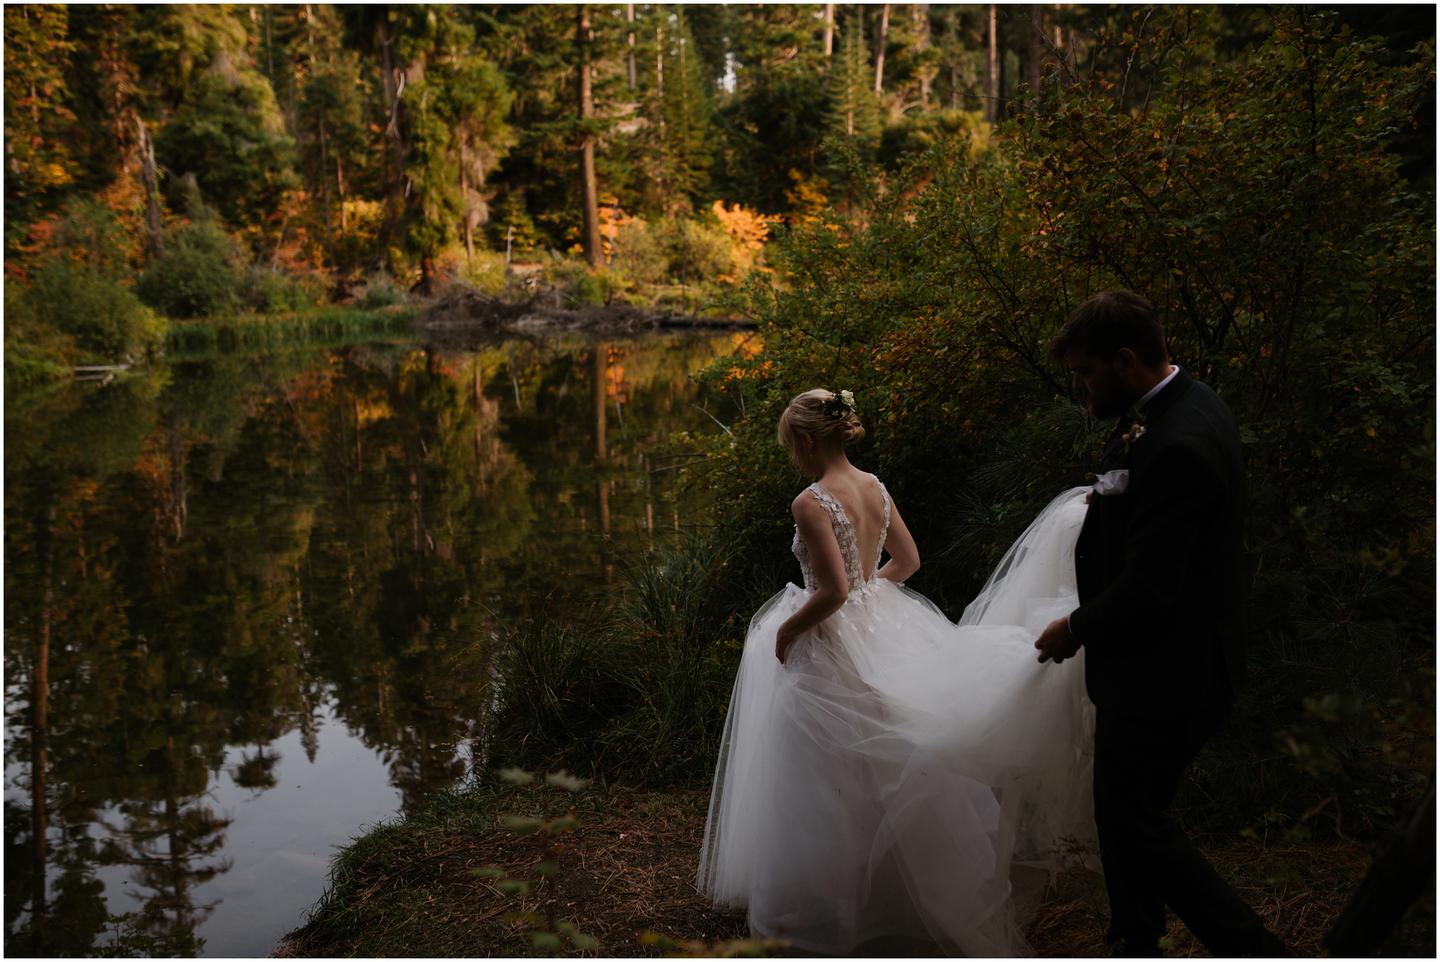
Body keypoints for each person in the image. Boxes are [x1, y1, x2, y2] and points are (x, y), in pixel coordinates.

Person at [699, 388, 1097, 955]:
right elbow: (907, 562)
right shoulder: (874, 487)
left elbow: (832, 591)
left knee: (824, 773)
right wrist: (869, 597)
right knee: (886, 764)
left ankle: (832, 908)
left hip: (830, 640)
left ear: (807, 440)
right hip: (880, 627)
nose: (793, 454)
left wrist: (788, 631)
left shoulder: (810, 501)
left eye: (792, 444)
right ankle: (900, 899)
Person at [1033, 289, 1287, 956]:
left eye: (1087, 374)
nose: (1082, 388)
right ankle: (1133, 936)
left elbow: (1154, 584)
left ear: (1125, 360)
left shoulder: (1181, 440)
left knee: (1135, 818)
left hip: (1171, 670)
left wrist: (1076, 629)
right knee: (1122, 815)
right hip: (1149, 664)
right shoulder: (1166, 410)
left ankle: (1252, 947)